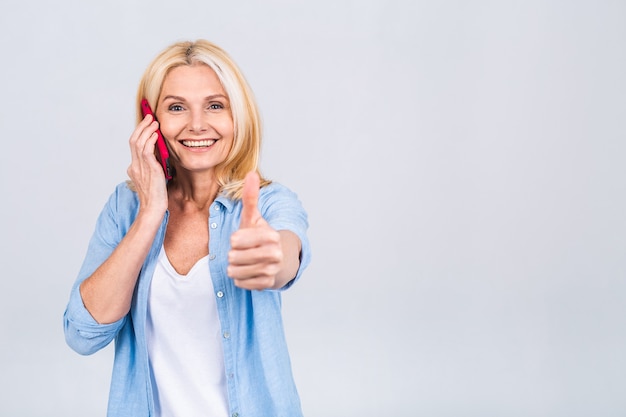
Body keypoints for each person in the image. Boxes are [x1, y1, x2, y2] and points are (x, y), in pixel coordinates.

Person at [63, 39, 311, 417]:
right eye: (176, 107)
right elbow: (82, 334)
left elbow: (285, 255)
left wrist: (269, 258)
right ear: (150, 121)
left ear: (237, 117)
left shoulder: (268, 202)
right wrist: (150, 214)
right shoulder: (126, 207)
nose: (197, 124)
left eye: (215, 105)